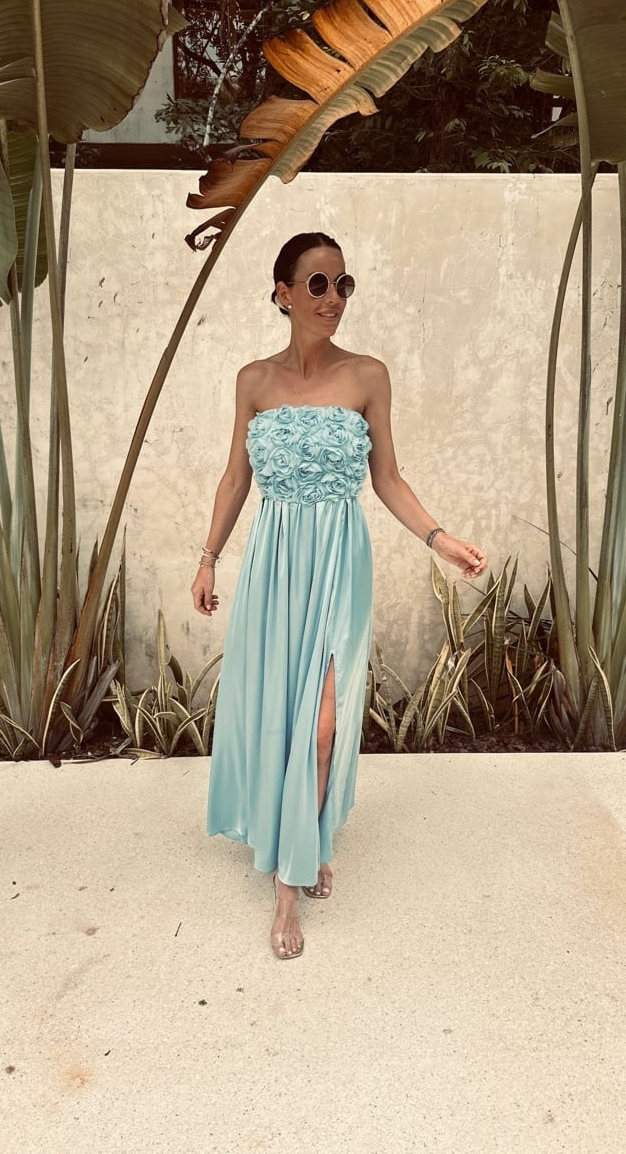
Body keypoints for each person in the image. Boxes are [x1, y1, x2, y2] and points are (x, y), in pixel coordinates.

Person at [191, 232, 488, 961]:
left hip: (336, 563)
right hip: (273, 565)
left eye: (343, 284)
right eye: (318, 284)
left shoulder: (367, 376)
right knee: (277, 716)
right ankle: (302, 856)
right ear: (283, 293)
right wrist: (207, 559)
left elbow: (387, 478)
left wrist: (439, 538)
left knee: (322, 724)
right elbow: (236, 479)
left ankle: (297, 865)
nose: (333, 299)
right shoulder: (253, 380)